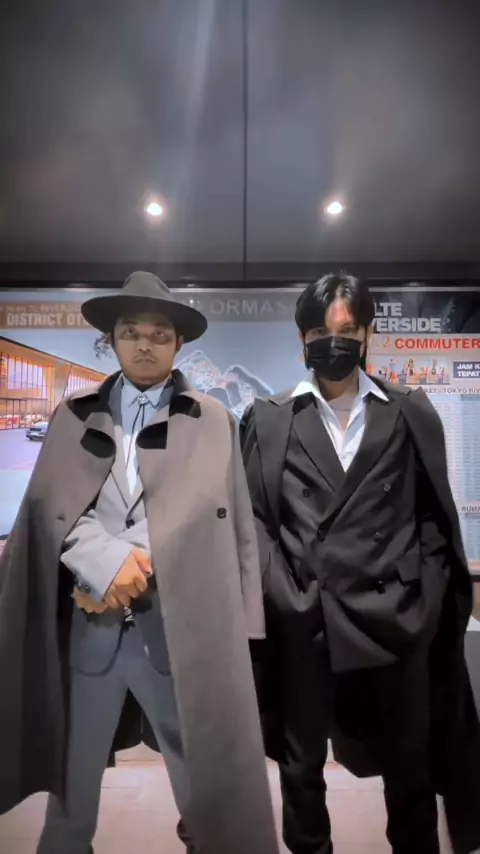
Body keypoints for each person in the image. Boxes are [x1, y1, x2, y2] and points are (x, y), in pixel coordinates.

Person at [0, 272, 279, 854]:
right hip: (90, 634)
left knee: (204, 794)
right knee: (71, 797)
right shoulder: (73, 415)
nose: (145, 344)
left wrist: (130, 569)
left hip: (179, 639)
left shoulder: (212, 420)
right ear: (111, 340)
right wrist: (102, 564)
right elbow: (53, 507)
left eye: (159, 334)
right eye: (131, 332)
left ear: (178, 343)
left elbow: (220, 516)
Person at [241, 273, 480, 854]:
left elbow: (433, 517)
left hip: (395, 620)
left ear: (368, 334)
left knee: (410, 771)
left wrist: (423, 600)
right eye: (321, 332)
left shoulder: (408, 411)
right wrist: (285, 594)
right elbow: (255, 521)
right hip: (307, 619)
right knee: (301, 771)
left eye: (348, 332)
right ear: (302, 338)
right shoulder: (269, 417)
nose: (335, 343)